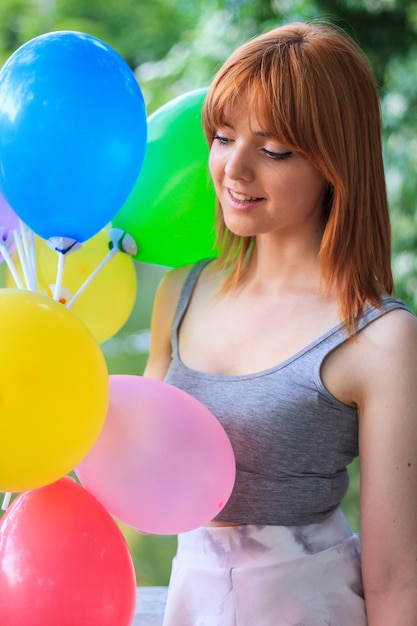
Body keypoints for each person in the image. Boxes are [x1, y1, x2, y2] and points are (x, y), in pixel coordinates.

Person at [144, 21, 417, 626]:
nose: (234, 169)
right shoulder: (180, 293)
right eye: (222, 136)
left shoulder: (378, 339)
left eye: (273, 151)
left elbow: (398, 579)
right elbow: (141, 474)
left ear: (334, 164)